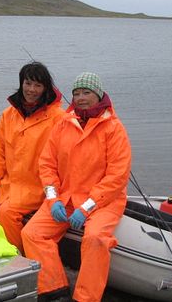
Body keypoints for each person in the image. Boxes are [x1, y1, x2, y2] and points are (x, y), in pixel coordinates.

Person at [21, 72, 132, 302]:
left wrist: (87, 207)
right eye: (76, 93)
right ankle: (54, 289)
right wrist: (53, 200)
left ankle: (85, 298)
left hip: (104, 202)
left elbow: (117, 176)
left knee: (95, 239)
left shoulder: (114, 128)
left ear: (98, 95)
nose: (80, 97)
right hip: (65, 198)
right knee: (31, 233)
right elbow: (47, 165)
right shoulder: (63, 123)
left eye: (86, 92)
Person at [0, 61, 65, 254]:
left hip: (37, 187)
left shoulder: (58, 118)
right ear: (21, 83)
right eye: (28, 83)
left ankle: (17, 258)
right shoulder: (8, 115)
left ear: (46, 89)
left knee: (7, 212)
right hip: (7, 185)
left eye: (38, 85)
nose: (31, 89)